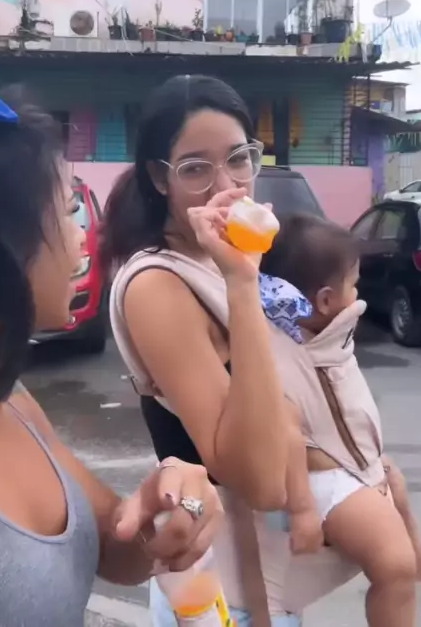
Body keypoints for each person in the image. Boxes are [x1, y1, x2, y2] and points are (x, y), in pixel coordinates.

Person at [0, 58, 222, 627]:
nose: (85, 234)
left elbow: (116, 542)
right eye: (66, 213)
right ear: (3, 241)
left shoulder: (10, 401)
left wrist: (165, 507)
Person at [103, 74, 340, 627]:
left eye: (238, 159)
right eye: (195, 169)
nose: (225, 185)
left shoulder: (222, 257)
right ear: (159, 178)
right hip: (221, 591)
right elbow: (261, 481)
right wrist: (241, 283)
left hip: (272, 579)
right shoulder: (157, 283)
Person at [260, 213, 421, 627]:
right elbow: (288, 434)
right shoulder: (281, 353)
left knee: (396, 486)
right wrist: (303, 510)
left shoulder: (324, 332)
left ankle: (420, 558)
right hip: (324, 477)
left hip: (354, 462)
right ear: (326, 300)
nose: (358, 292)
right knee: (393, 565)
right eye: (354, 283)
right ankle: (407, 568)